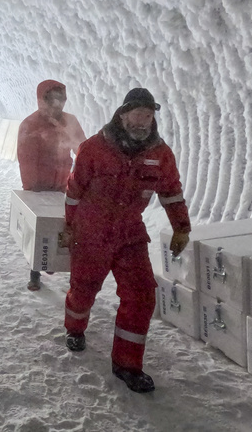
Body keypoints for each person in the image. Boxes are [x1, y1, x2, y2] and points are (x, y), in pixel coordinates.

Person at [61, 88, 190, 393]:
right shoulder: (94, 148)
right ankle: (75, 328)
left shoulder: (160, 155)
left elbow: (171, 191)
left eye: (148, 115)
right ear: (122, 115)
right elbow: (74, 189)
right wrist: (69, 226)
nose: (142, 121)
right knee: (84, 288)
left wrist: (181, 227)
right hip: (91, 232)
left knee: (142, 294)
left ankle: (127, 365)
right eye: (137, 114)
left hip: (129, 233)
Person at [16, 79, 87, 291]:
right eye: (52, 99)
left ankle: (63, 268)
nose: (58, 104)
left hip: (64, 184)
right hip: (39, 187)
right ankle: (35, 272)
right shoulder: (30, 125)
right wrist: (32, 188)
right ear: (42, 99)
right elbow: (26, 159)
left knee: (66, 227)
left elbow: (82, 150)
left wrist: (84, 176)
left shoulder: (70, 122)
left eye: (61, 98)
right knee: (40, 229)